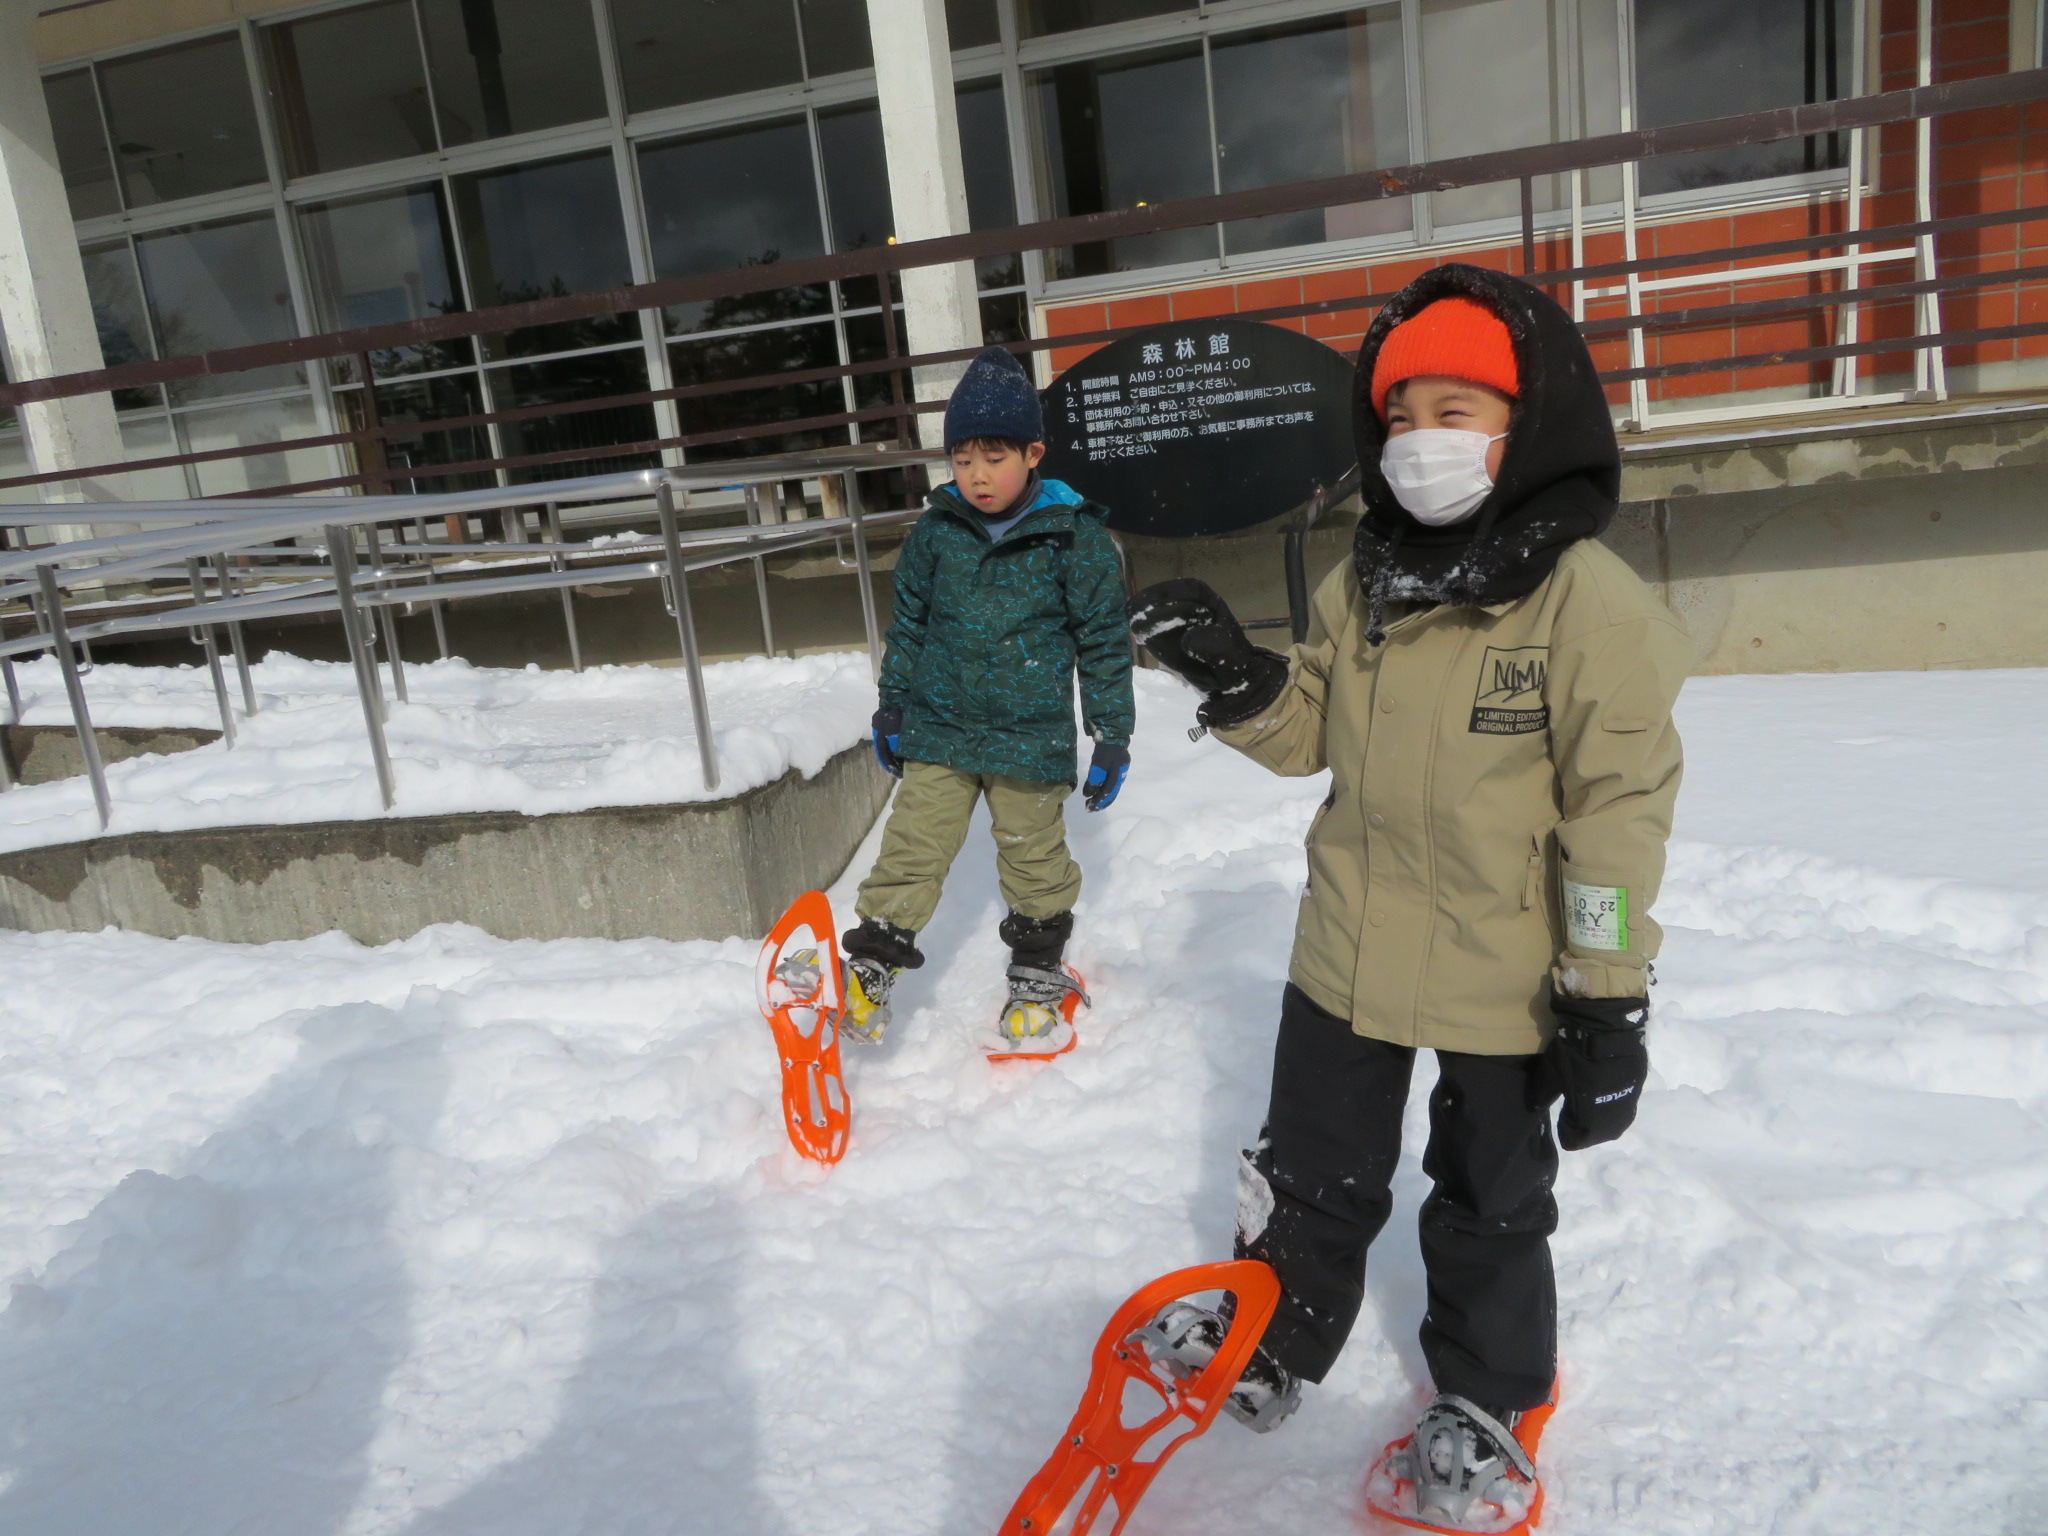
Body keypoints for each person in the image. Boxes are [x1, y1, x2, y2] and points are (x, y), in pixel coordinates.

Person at [1127, 264, 1692, 1527]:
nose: (1420, 442)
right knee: (1309, 1171)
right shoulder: (1363, 584)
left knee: (1489, 1197)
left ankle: (1490, 1397)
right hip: (1349, 949)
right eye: (1399, 416)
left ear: (1526, 424)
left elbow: (1615, 818)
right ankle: (1273, 1336)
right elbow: (1309, 731)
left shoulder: (1587, 607)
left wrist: (1605, 995)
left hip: (1505, 973)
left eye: (1456, 410)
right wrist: (1230, 676)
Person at [840, 345, 1135, 1050]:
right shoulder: (936, 534)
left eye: (993, 457)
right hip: (941, 728)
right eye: (962, 459)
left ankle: (1036, 971)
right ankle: (872, 965)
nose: (976, 475)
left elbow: (1103, 641)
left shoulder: (1076, 539)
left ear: (1034, 453)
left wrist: (1111, 733)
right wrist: (893, 705)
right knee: (912, 849)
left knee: (1033, 858)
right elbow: (908, 625)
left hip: (1029, 738)